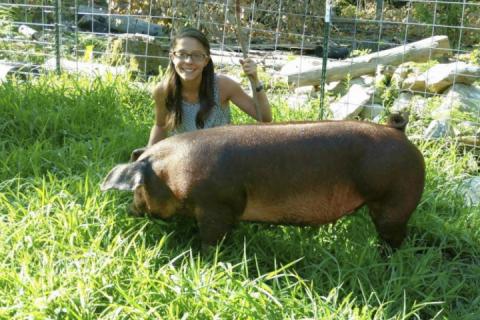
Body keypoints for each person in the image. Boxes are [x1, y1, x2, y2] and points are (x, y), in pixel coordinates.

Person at [147, 27, 272, 146]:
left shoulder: (222, 86)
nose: (189, 61)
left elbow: (264, 117)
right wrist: (144, 157)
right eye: (182, 54)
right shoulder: (164, 91)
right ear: (173, 57)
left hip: (220, 157)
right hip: (185, 158)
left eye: (196, 55)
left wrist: (255, 80)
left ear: (206, 60)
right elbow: (160, 126)